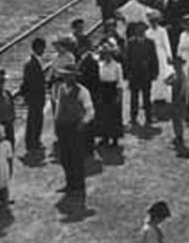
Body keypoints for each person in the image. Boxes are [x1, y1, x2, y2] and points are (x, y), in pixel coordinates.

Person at [53, 67, 95, 196]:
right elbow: (59, 106)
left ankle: (79, 185)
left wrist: (83, 122)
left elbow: (90, 110)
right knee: (65, 157)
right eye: (65, 75)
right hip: (62, 127)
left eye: (69, 76)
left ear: (74, 77)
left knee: (76, 157)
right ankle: (70, 183)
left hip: (75, 127)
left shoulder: (82, 91)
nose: (66, 78)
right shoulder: (61, 89)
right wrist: (57, 120)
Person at [123, 21, 159, 127]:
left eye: (143, 29)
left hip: (146, 74)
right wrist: (127, 73)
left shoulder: (150, 42)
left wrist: (155, 72)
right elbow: (127, 59)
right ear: (135, 31)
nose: (140, 31)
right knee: (134, 97)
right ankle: (133, 117)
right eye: (138, 29)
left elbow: (154, 58)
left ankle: (148, 117)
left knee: (147, 96)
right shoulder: (130, 43)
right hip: (134, 74)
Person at [18, 37, 48, 154]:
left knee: (36, 119)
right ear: (38, 48)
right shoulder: (31, 63)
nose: (44, 50)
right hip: (35, 96)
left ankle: (35, 141)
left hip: (36, 96)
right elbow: (30, 82)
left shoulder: (34, 61)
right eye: (43, 48)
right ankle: (32, 142)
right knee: (34, 120)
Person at [96, 44, 124, 147]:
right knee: (104, 115)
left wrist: (119, 95)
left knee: (114, 115)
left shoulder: (117, 66)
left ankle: (115, 138)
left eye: (108, 54)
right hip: (103, 90)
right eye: (104, 54)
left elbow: (120, 82)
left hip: (113, 90)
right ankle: (105, 137)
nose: (106, 56)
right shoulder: (100, 65)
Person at [146, 11, 174, 104]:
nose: (153, 23)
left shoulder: (162, 31)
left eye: (155, 21)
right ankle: (154, 96)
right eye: (152, 21)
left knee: (163, 73)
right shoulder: (147, 32)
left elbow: (166, 43)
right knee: (153, 75)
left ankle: (165, 95)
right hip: (151, 55)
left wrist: (169, 55)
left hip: (161, 53)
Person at [168, 53, 189, 156]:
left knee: (178, 119)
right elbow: (166, 82)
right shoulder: (175, 75)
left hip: (180, 100)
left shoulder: (183, 75)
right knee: (175, 119)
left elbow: (183, 89)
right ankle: (177, 135)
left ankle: (180, 136)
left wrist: (178, 100)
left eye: (178, 64)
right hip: (174, 99)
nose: (176, 66)